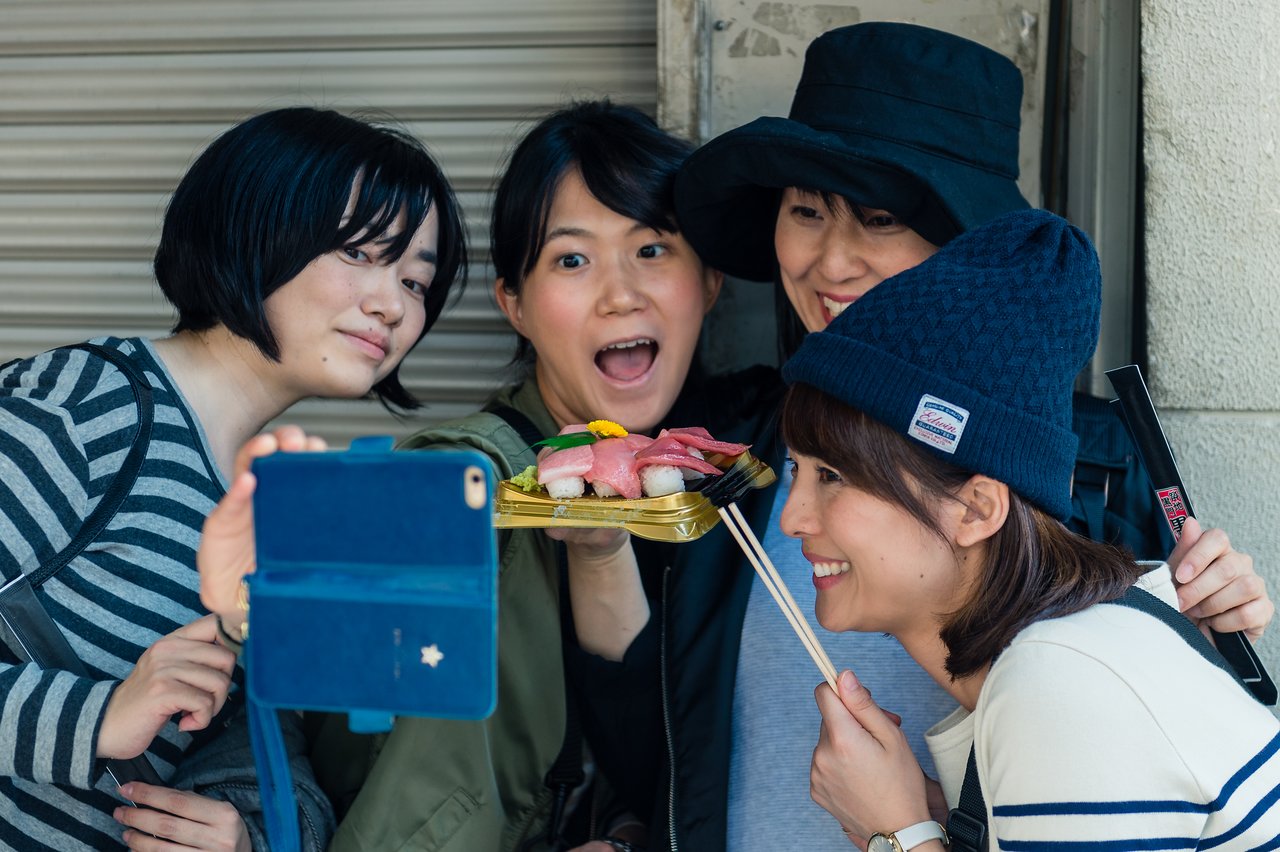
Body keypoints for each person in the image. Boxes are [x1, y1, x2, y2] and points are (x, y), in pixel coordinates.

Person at [568, 22, 1274, 850]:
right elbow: (655, 747)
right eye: (805, 212)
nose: (831, 263)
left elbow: (1148, 751)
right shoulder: (733, 451)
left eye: (878, 219)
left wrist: (1211, 628)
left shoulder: (1093, 468)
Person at [198, 100, 775, 852]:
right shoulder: (469, 485)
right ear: (515, 304)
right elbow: (353, 731)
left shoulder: (721, 469)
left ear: (711, 281)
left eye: (653, 249)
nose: (621, 293)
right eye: (572, 259)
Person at [0, 105, 466, 851]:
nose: (393, 305)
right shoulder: (96, 405)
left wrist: (244, 836)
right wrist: (102, 716)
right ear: (257, 228)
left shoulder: (275, 506)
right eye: (361, 255)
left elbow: (266, 753)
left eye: (416, 281)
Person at [782, 207, 1280, 847]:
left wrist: (895, 832)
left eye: (833, 476)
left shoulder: (1058, 680)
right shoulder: (1069, 652)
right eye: (796, 470)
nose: (794, 518)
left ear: (976, 509)